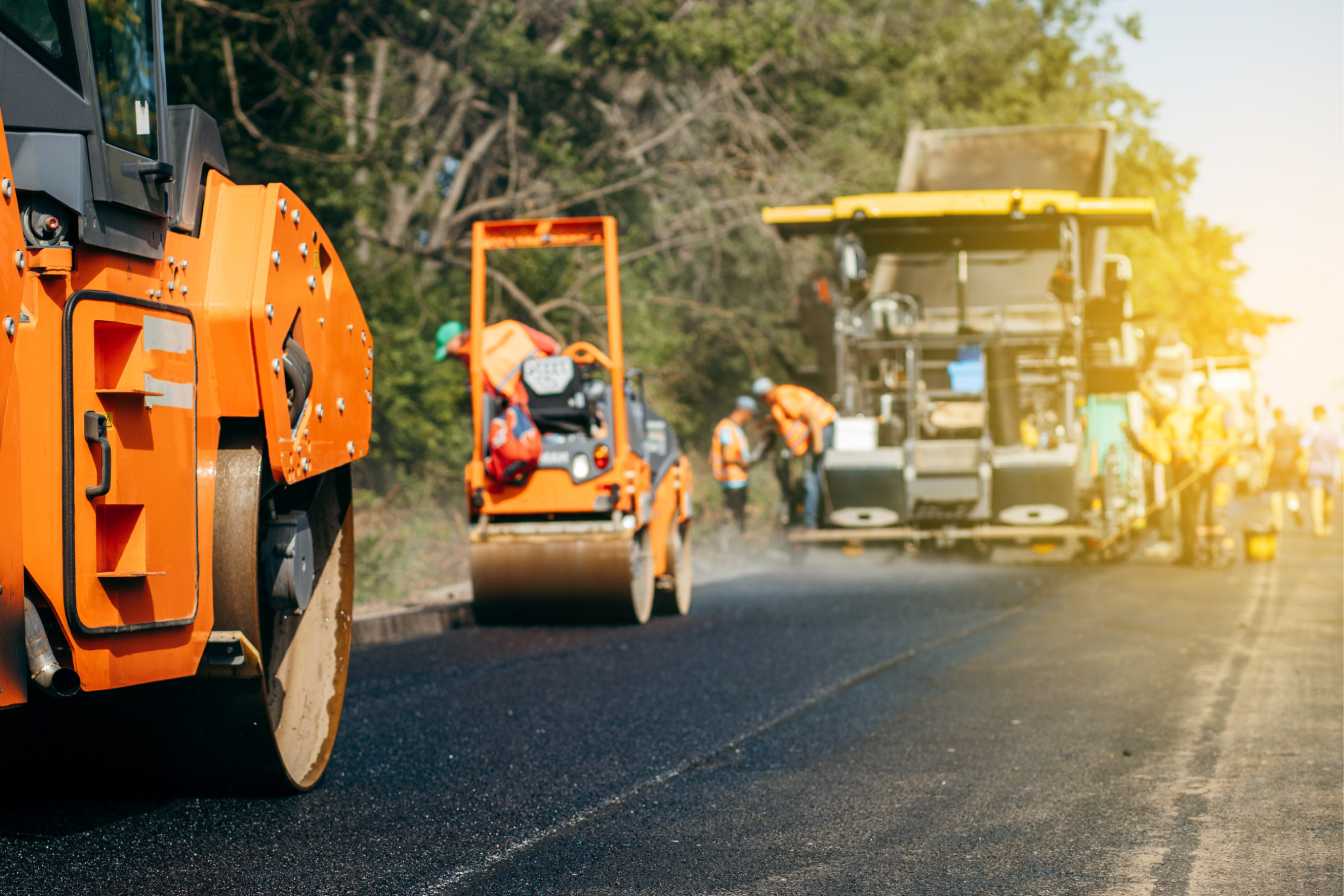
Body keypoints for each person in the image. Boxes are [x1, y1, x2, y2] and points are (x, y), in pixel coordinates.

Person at [753, 377, 836, 529]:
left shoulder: (783, 398)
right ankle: (815, 518)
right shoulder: (781, 399)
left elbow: (810, 416)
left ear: (767, 393)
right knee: (813, 476)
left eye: (763, 398)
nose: (764, 401)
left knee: (811, 476)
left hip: (822, 428)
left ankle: (810, 522)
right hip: (820, 428)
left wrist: (817, 444)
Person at [434, 319, 560, 404]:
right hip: (559, 388)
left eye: (450, 353)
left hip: (528, 409)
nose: (455, 358)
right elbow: (553, 347)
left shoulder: (477, 366)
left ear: (457, 340)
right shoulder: (508, 327)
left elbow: (492, 399)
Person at [710, 396, 758, 533]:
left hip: (737, 479)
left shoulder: (734, 428)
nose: (750, 418)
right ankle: (730, 548)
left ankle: (735, 546)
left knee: (737, 517)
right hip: (731, 480)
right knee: (734, 519)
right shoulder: (726, 428)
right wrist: (743, 462)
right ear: (743, 411)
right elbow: (728, 455)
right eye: (750, 414)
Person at [1301, 404, 1341, 537]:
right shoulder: (1334, 430)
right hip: (1332, 469)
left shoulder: (1312, 428)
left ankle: (1318, 527)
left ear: (1314, 414)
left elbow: (1304, 446)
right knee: (1329, 498)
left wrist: (1304, 463)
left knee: (1316, 498)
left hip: (1315, 468)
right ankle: (1327, 524)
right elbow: (1341, 450)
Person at [1264, 407, 1303, 530]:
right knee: (1291, 492)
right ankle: (1294, 508)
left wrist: (1265, 468)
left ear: (1275, 417)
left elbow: (1269, 450)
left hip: (1277, 463)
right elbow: (1300, 448)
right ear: (1284, 415)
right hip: (1291, 463)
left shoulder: (1273, 431)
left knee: (1276, 493)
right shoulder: (1293, 430)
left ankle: (1278, 522)